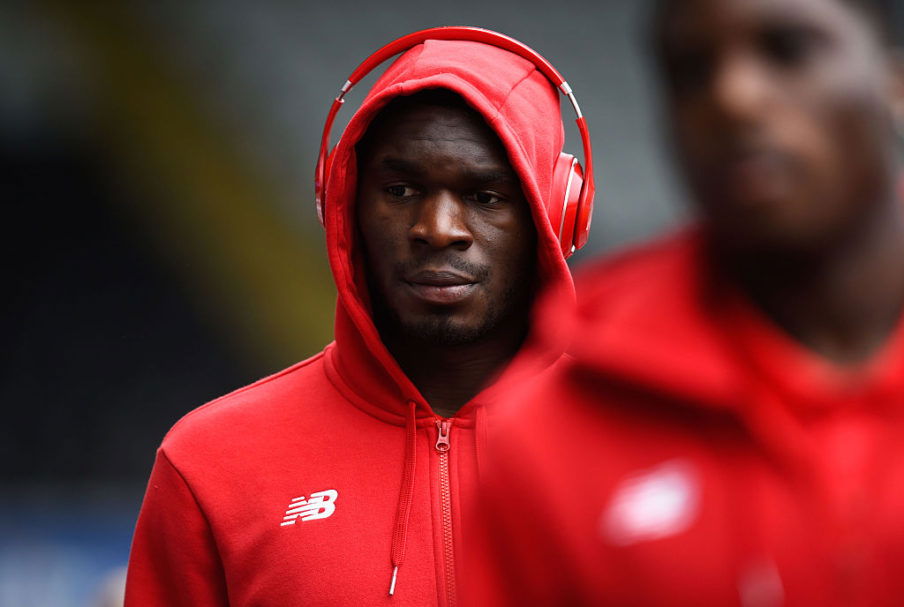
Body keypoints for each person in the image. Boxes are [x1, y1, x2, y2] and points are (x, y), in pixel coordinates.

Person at [124, 27, 593, 606]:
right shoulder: (209, 462)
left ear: (557, 214)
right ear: (344, 203)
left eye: (485, 196)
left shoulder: (650, 443)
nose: (438, 230)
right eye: (399, 190)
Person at [468, 0, 904, 605]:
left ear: (893, 82)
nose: (732, 97)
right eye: (691, 70)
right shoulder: (548, 442)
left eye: (788, 48)